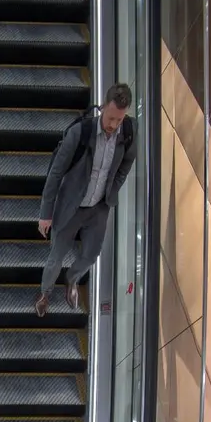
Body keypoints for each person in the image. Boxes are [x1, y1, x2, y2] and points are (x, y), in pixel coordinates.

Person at [36, 83, 137, 317]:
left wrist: (113, 189)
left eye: (119, 120)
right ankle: (45, 293)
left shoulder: (130, 132)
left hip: (99, 207)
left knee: (91, 254)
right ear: (103, 108)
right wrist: (45, 213)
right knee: (56, 256)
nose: (113, 125)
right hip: (70, 205)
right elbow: (55, 173)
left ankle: (72, 280)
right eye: (110, 118)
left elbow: (126, 164)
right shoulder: (79, 133)